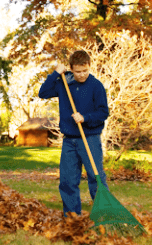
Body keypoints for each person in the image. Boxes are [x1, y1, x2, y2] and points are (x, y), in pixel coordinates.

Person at [38, 50, 109, 217]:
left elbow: (103, 112)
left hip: (89, 138)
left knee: (95, 178)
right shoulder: (64, 82)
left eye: (85, 70)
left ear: (89, 67)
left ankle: (104, 212)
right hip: (69, 140)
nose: (82, 74)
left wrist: (85, 117)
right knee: (68, 180)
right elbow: (43, 93)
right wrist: (56, 73)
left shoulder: (96, 86)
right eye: (78, 71)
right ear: (71, 69)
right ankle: (72, 215)